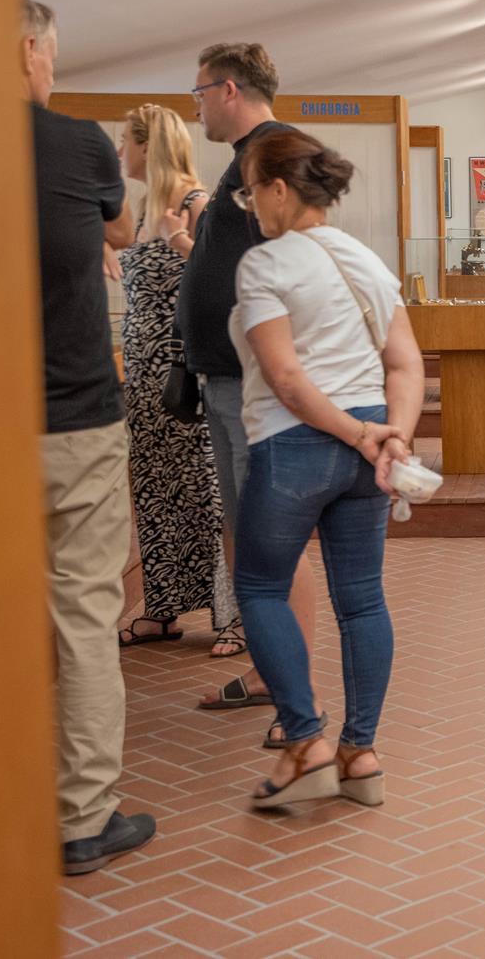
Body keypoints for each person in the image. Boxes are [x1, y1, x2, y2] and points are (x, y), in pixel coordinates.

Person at [228, 131, 424, 808]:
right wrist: (392, 437)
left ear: (279, 190)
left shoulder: (265, 263)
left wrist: (362, 433)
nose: (252, 205)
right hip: (367, 443)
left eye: (252, 191)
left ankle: (306, 742)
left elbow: (286, 380)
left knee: (259, 586)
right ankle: (360, 753)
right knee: (362, 597)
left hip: (296, 445)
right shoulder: (366, 260)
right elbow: (406, 363)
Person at [22, 0, 156, 873]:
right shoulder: (76, 144)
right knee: (83, 615)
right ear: (26, 50)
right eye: (52, 53)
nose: (54, 66)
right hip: (74, 417)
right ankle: (82, 817)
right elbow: (118, 226)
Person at [176, 43, 319, 746]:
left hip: (256, 380)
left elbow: (301, 255)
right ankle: (269, 672)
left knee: (276, 538)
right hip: (226, 377)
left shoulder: (272, 151)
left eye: (200, 92)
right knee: (247, 534)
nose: (197, 106)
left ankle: (295, 691)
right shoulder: (243, 159)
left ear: (229, 89)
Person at [111, 104, 241, 657]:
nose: (120, 151)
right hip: (142, 376)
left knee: (207, 493)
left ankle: (233, 615)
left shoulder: (195, 202)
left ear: (148, 145)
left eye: (125, 140)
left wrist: (178, 243)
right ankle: (162, 610)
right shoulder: (141, 208)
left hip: (183, 371)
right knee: (156, 492)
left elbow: (221, 281)